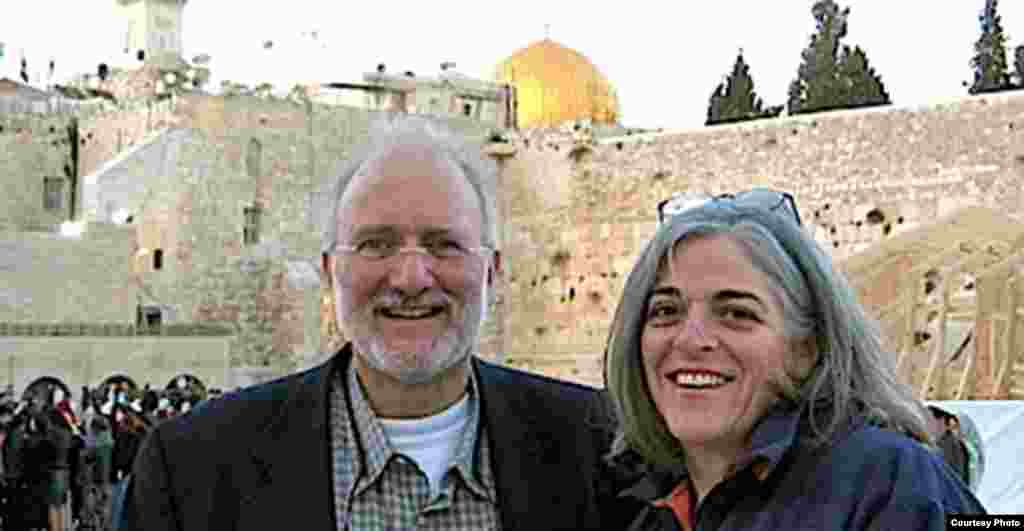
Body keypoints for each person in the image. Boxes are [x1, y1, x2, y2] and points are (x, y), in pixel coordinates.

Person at [117, 116, 617, 530]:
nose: (411, 278)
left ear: (492, 271)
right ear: (329, 270)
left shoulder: (600, 453)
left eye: (444, 244)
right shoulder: (194, 471)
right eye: (376, 244)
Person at [604, 190, 986, 530]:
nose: (690, 339)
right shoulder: (649, 511)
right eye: (666, 311)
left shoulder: (894, 486)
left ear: (807, 349)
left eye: (737, 314)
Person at [928, 406, 971, 486]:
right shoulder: (949, 441)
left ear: (941, 420)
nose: (926, 425)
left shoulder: (948, 445)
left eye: (929, 420)